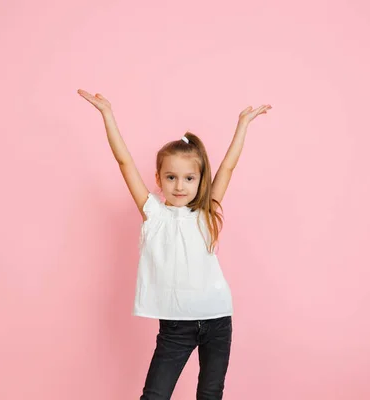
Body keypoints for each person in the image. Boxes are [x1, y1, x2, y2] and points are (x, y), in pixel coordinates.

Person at [77, 88, 271, 399]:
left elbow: (228, 167)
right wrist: (108, 115)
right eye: (170, 177)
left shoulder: (207, 213)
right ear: (158, 177)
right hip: (176, 327)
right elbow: (124, 162)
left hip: (217, 318)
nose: (179, 186)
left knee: (210, 393)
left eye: (189, 178)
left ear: (200, 180)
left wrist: (243, 125)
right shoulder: (153, 213)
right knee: (155, 395)